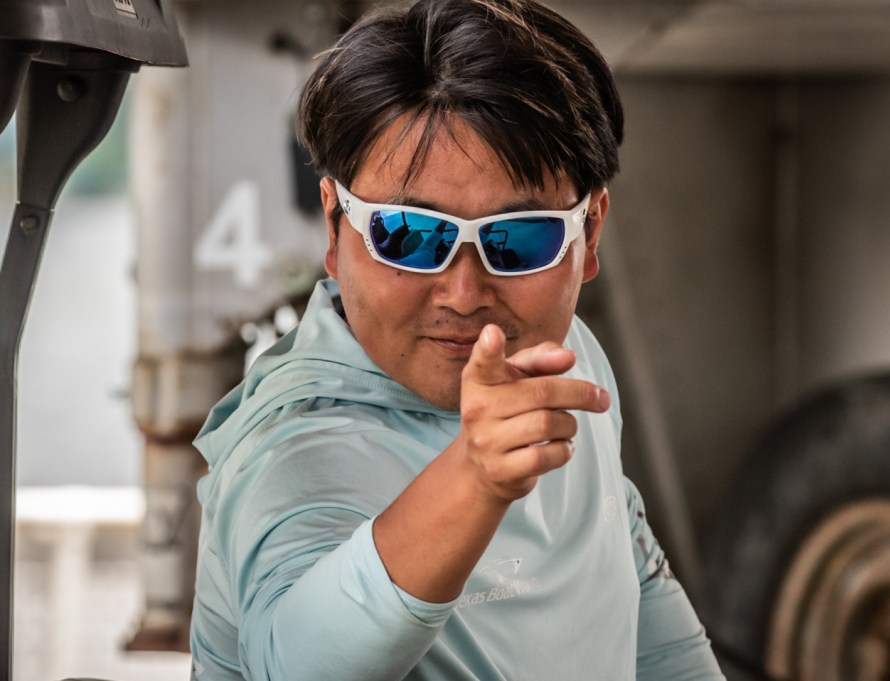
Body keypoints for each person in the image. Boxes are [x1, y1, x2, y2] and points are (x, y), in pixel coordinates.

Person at [188, 0, 725, 679]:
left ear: (588, 235)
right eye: (409, 235)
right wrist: (475, 476)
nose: (465, 293)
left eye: (520, 238)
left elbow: (624, 561)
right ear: (334, 228)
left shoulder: (565, 359)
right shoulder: (295, 445)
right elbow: (293, 663)